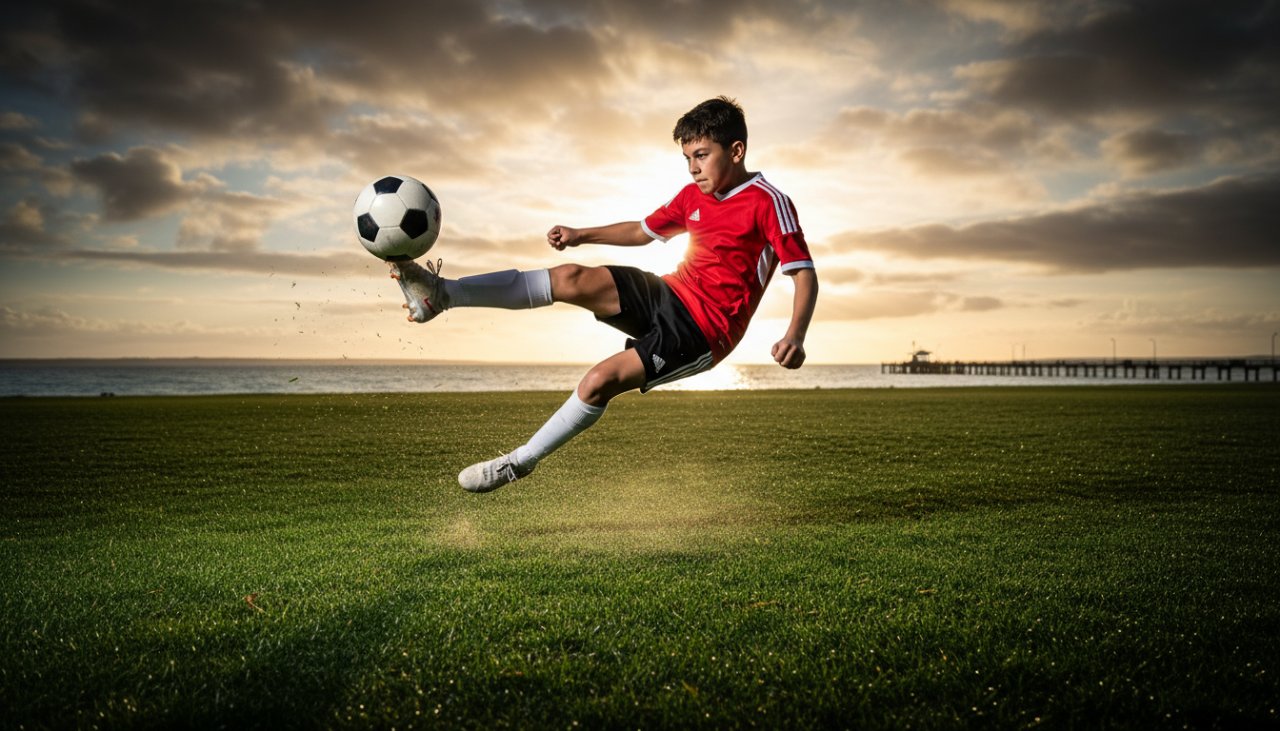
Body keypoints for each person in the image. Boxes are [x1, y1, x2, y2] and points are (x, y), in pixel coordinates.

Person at [390, 96, 818, 492]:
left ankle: (518, 462)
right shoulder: (692, 196)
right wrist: (581, 234)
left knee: (598, 382)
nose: (693, 168)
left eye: (702, 155)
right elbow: (642, 231)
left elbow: (803, 274)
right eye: (687, 158)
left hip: (704, 332)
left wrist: (795, 335)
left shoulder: (768, 202)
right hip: (670, 291)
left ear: (737, 151)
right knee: (573, 276)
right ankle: (440, 295)